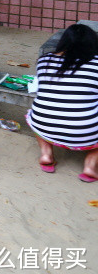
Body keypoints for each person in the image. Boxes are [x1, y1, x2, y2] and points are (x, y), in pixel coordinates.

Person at [26, 24, 98, 181]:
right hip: (85, 132)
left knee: (33, 114)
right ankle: (90, 164)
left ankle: (46, 153)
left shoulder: (44, 60)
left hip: (44, 123)